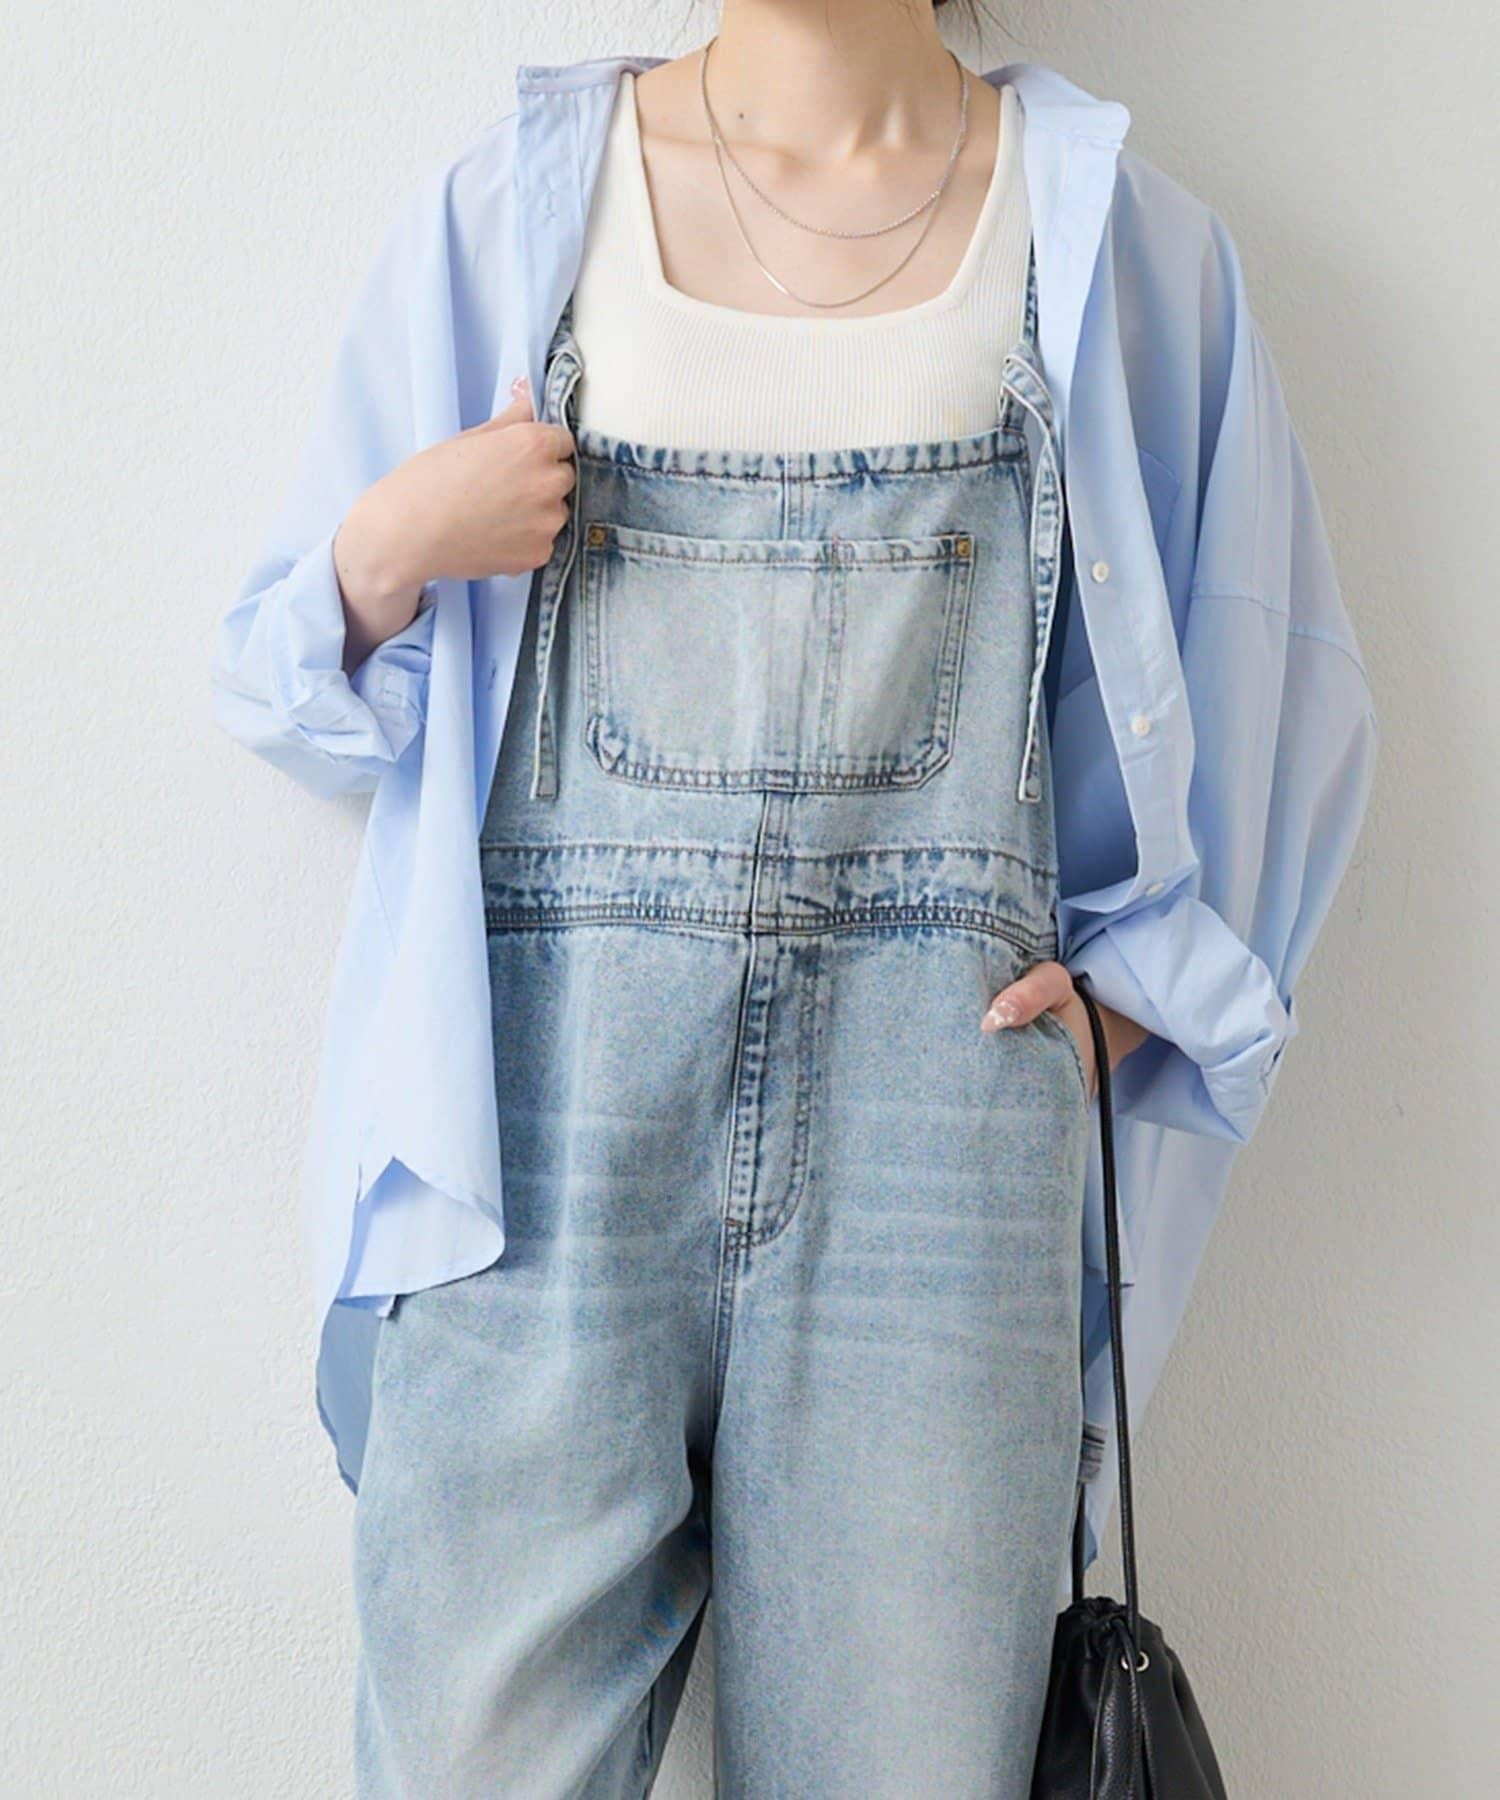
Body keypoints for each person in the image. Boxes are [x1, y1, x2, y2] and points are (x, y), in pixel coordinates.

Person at [210, 6, 1378, 1794]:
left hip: (938, 1158)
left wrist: (1148, 1006)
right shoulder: (515, 212)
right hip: (535, 1143)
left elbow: (1280, 676)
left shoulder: (1117, 239)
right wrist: (388, 551)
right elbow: (286, 680)